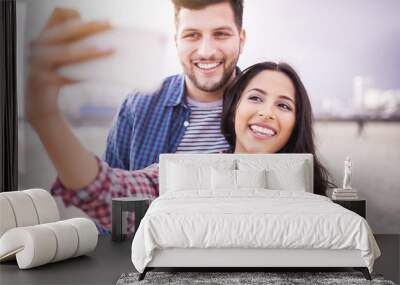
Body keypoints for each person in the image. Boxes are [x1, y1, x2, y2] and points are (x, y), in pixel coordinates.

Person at [52, 61, 332, 231]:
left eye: (283, 105)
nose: (267, 112)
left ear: (296, 122)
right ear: (234, 108)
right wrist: (47, 119)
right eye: (256, 98)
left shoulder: (310, 189)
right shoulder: (190, 171)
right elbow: (113, 189)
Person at [26, 0, 246, 192]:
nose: (206, 51)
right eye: (192, 35)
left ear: (241, 40)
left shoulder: (270, 108)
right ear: (176, 41)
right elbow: (112, 206)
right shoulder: (139, 106)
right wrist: (46, 117)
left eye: (220, 34)